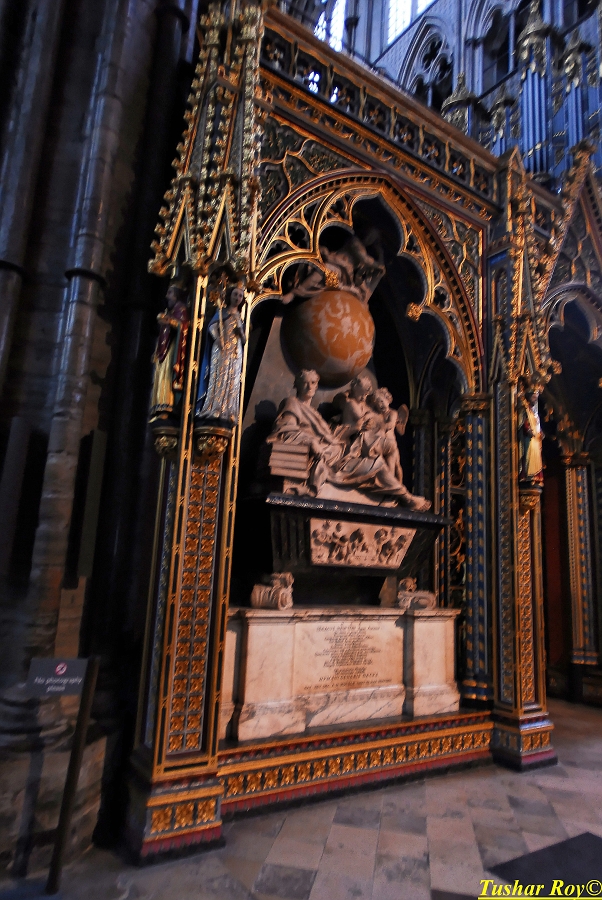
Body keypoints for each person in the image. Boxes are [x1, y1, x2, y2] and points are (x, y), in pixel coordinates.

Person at [268, 369, 346, 493]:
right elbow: (286, 429)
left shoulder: (315, 413)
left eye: (313, 383)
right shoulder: (292, 403)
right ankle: (311, 486)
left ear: (317, 386)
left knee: (340, 449)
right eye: (305, 383)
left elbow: (328, 436)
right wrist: (310, 441)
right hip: (309, 449)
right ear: (297, 385)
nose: (309, 387)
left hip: (328, 449)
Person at [196, 283, 246, 426]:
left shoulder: (240, 317)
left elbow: (244, 340)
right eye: (235, 294)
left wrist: (241, 331)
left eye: (240, 296)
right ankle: (215, 407)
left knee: (232, 380)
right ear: (230, 296)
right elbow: (212, 327)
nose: (237, 298)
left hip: (235, 353)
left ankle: (228, 410)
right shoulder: (222, 312)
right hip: (221, 349)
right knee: (219, 377)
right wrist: (217, 337)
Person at [149, 281, 190, 421]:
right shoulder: (171, 311)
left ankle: (167, 406)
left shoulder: (181, 309)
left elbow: (183, 326)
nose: (167, 296)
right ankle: (159, 407)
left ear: (177, 295)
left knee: (166, 375)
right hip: (164, 350)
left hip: (172, 348)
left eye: (170, 293)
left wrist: (169, 321)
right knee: (160, 374)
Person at [518, 386, 544, 484]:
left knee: (537, 456)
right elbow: (523, 422)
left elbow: (537, 424)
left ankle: (536, 477)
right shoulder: (526, 410)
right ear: (529, 397)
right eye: (534, 397)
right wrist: (528, 430)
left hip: (536, 438)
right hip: (529, 438)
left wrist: (541, 432)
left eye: (536, 397)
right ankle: (529, 476)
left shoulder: (535, 411)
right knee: (529, 455)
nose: (535, 399)